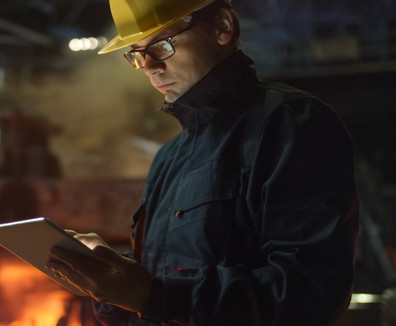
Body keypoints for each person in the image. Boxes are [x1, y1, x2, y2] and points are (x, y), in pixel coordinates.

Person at [46, 0, 360, 325]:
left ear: (223, 27)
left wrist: (151, 294)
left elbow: (310, 294)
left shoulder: (289, 125)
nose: (150, 66)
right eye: (137, 55)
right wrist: (109, 280)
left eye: (162, 45)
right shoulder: (169, 158)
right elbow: (156, 293)